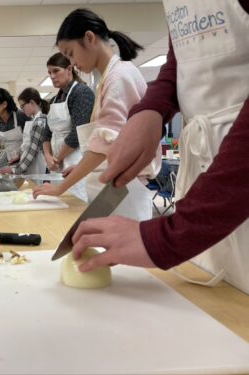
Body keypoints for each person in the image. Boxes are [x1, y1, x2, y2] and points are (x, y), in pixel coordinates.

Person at [71, 0, 249, 294]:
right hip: (202, 183)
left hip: (235, 179)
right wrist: (152, 109)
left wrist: (169, 237)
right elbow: (179, 60)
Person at [34, 9, 161, 222]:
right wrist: (86, 164)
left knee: (121, 253)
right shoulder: (108, 78)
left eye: (71, 53)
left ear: (89, 38)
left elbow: (106, 145)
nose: (72, 64)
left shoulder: (119, 76)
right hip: (113, 186)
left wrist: (60, 188)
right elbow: (114, 140)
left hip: (123, 191)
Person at [40, 53, 95, 201]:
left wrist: (56, 158)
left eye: (56, 71)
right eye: (49, 73)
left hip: (75, 159)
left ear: (69, 69)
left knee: (74, 203)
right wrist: (47, 156)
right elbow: (46, 132)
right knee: (58, 203)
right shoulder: (54, 99)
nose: (52, 76)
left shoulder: (81, 93)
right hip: (56, 162)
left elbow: (77, 133)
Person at [0, 88, 49, 182]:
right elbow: (28, 146)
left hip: (37, 167)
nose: (22, 109)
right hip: (29, 167)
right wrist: (19, 155)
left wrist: (14, 169)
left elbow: (32, 152)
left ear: (32, 102)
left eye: (23, 106)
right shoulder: (34, 121)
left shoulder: (40, 121)